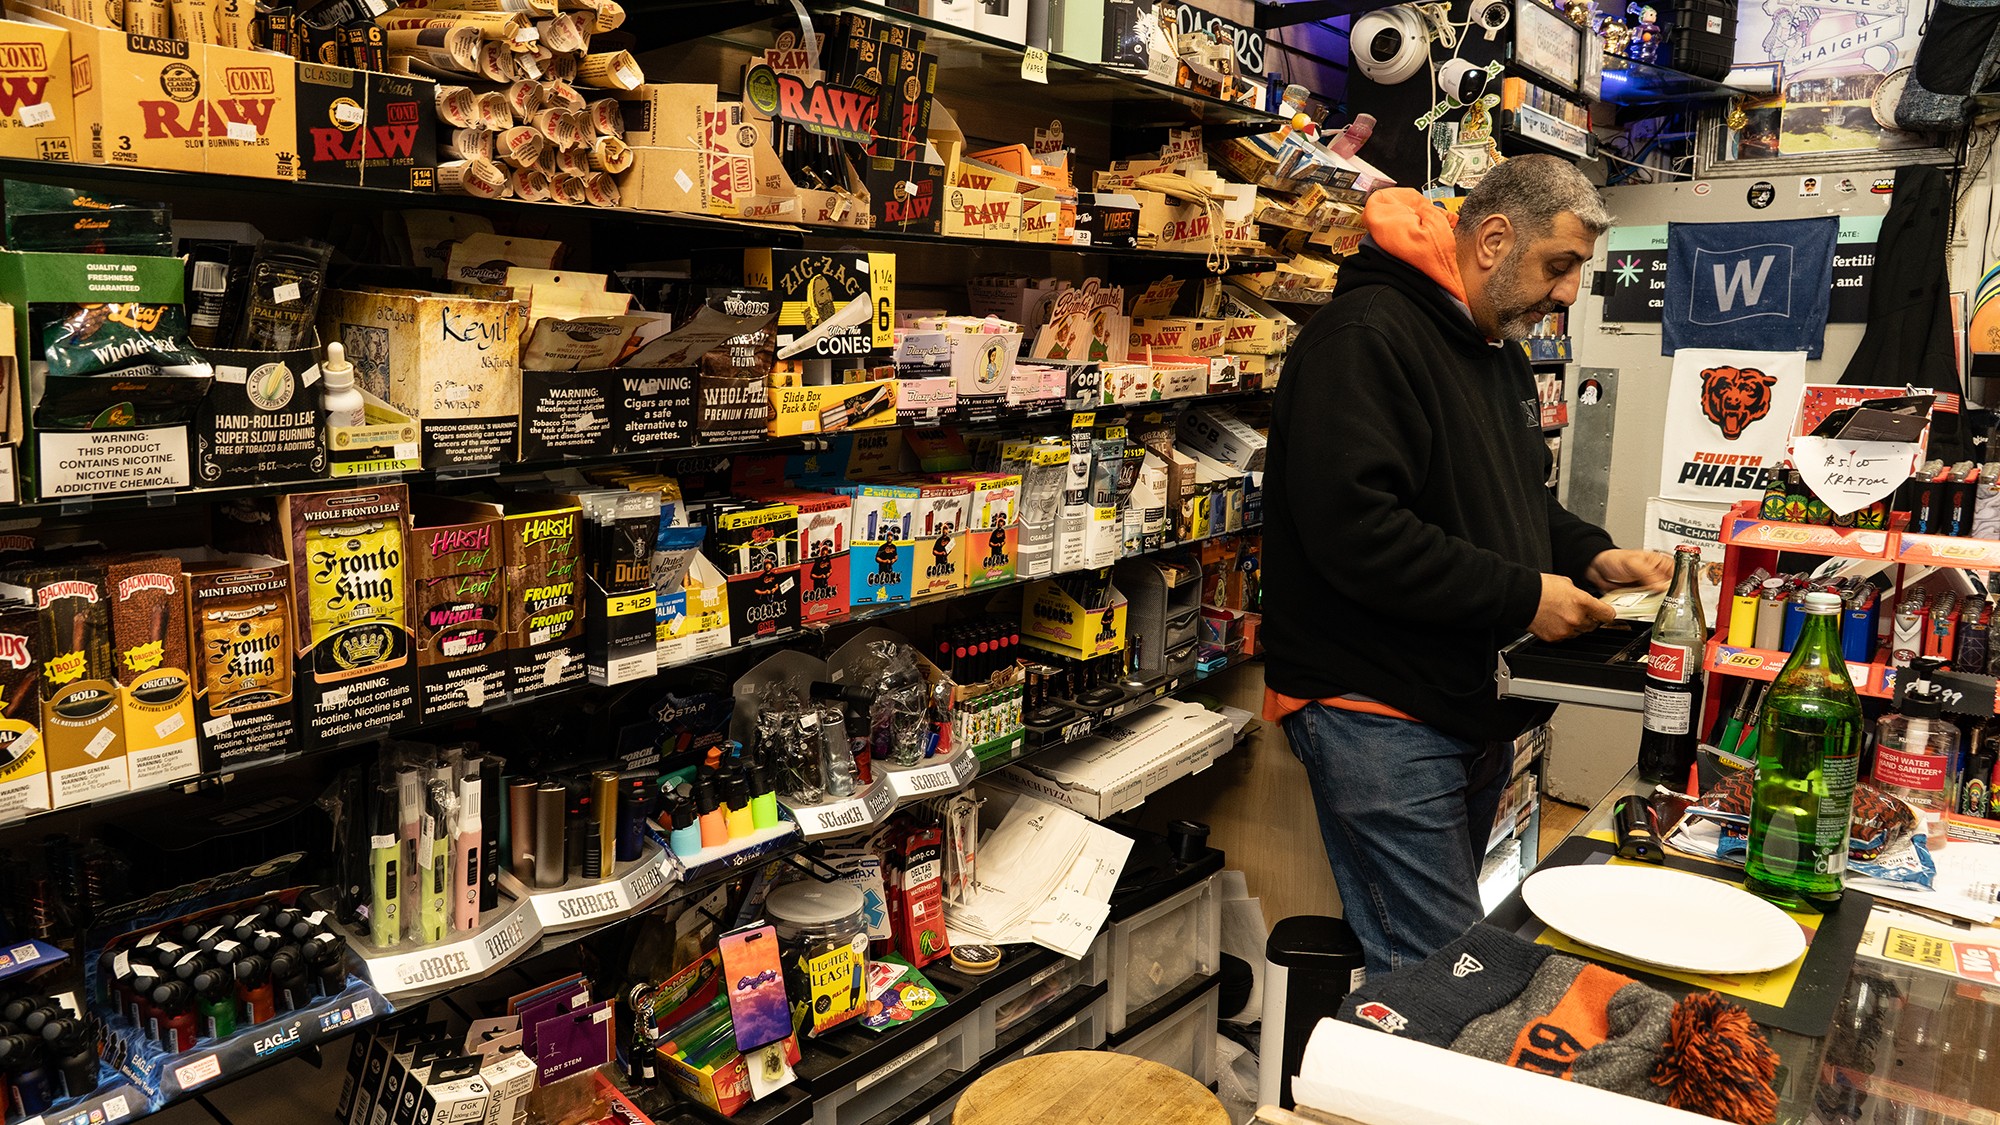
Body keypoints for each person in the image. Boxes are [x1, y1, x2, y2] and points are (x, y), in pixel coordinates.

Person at [1263, 156, 1671, 976]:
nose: (1567, 294)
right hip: (1373, 708)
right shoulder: (1364, 338)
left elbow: (1520, 506)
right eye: (1560, 266)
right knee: (1442, 972)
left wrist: (1595, 557)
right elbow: (1358, 533)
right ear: (1492, 239)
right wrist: (1525, 595)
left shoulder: (1498, 353)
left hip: (1464, 705)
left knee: (1443, 960)